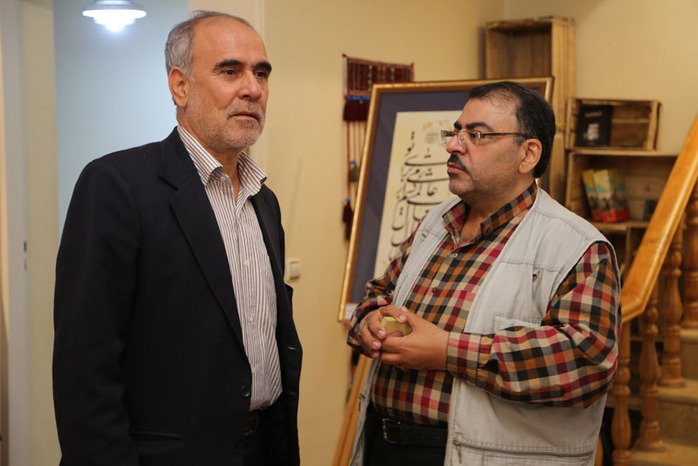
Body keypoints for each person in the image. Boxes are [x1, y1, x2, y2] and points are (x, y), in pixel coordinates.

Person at [53, 11, 302, 466]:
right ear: (180, 86)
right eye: (230, 71)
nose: (252, 88)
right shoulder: (116, 186)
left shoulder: (263, 200)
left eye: (261, 73)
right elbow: (85, 369)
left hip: (262, 448)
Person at [347, 81, 620, 466]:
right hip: (383, 446)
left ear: (528, 154)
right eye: (455, 132)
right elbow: (378, 295)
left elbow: (586, 362)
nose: (453, 146)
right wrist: (370, 322)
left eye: (476, 135)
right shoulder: (434, 223)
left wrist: (447, 351)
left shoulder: (575, 246)